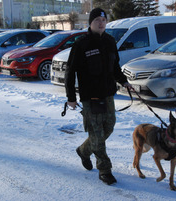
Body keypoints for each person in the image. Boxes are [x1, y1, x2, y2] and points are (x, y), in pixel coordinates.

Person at [65, 8, 131, 185]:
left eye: (103, 19)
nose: (101, 23)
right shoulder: (81, 44)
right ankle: (104, 169)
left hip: (108, 94)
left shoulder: (110, 41)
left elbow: (115, 66)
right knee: (96, 132)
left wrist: (123, 81)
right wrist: (71, 97)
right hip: (90, 97)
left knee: (108, 127)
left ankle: (84, 151)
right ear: (90, 23)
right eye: (97, 20)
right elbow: (70, 72)